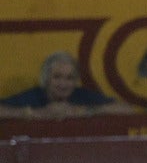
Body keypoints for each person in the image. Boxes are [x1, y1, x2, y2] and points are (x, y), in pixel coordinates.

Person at [0, 51, 135, 119]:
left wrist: (83, 111)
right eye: (57, 77)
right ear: (46, 79)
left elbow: (127, 110)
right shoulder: (34, 95)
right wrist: (35, 113)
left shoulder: (81, 95)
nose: (63, 84)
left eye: (69, 78)